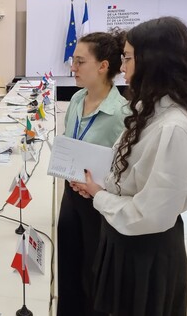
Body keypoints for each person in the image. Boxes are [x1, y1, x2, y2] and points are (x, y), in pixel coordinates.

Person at [72, 17, 187, 316]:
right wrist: (98, 187)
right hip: (123, 240)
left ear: (153, 61)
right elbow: (126, 173)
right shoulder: (147, 109)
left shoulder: (174, 128)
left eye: (127, 58)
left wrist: (100, 197)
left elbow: (150, 215)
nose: (122, 66)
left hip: (145, 253)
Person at [57, 31, 129, 316]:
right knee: (67, 266)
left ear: (103, 66)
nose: (73, 67)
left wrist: (98, 188)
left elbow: (123, 170)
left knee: (92, 273)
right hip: (70, 195)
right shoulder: (76, 99)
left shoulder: (121, 113)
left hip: (97, 204)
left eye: (80, 61)